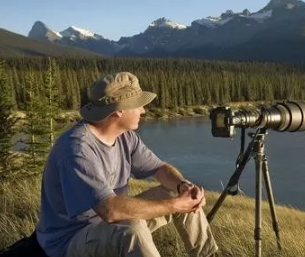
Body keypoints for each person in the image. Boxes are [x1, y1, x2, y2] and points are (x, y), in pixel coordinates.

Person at [35, 71, 219, 257]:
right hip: (70, 241)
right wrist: (175, 205)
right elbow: (109, 210)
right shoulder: (77, 149)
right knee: (132, 230)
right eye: (138, 105)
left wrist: (183, 185)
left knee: (179, 192)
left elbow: (160, 169)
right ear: (119, 110)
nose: (143, 110)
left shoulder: (126, 137)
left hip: (110, 225)